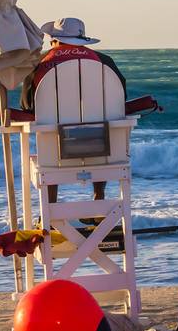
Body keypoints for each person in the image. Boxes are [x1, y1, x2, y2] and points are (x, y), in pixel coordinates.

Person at [24, 17, 127, 204]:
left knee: (49, 136)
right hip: (100, 147)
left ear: (54, 41)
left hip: (55, 155)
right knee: (99, 121)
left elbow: (27, 105)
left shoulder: (39, 63)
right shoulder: (104, 61)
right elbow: (120, 99)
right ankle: (99, 197)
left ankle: (51, 207)